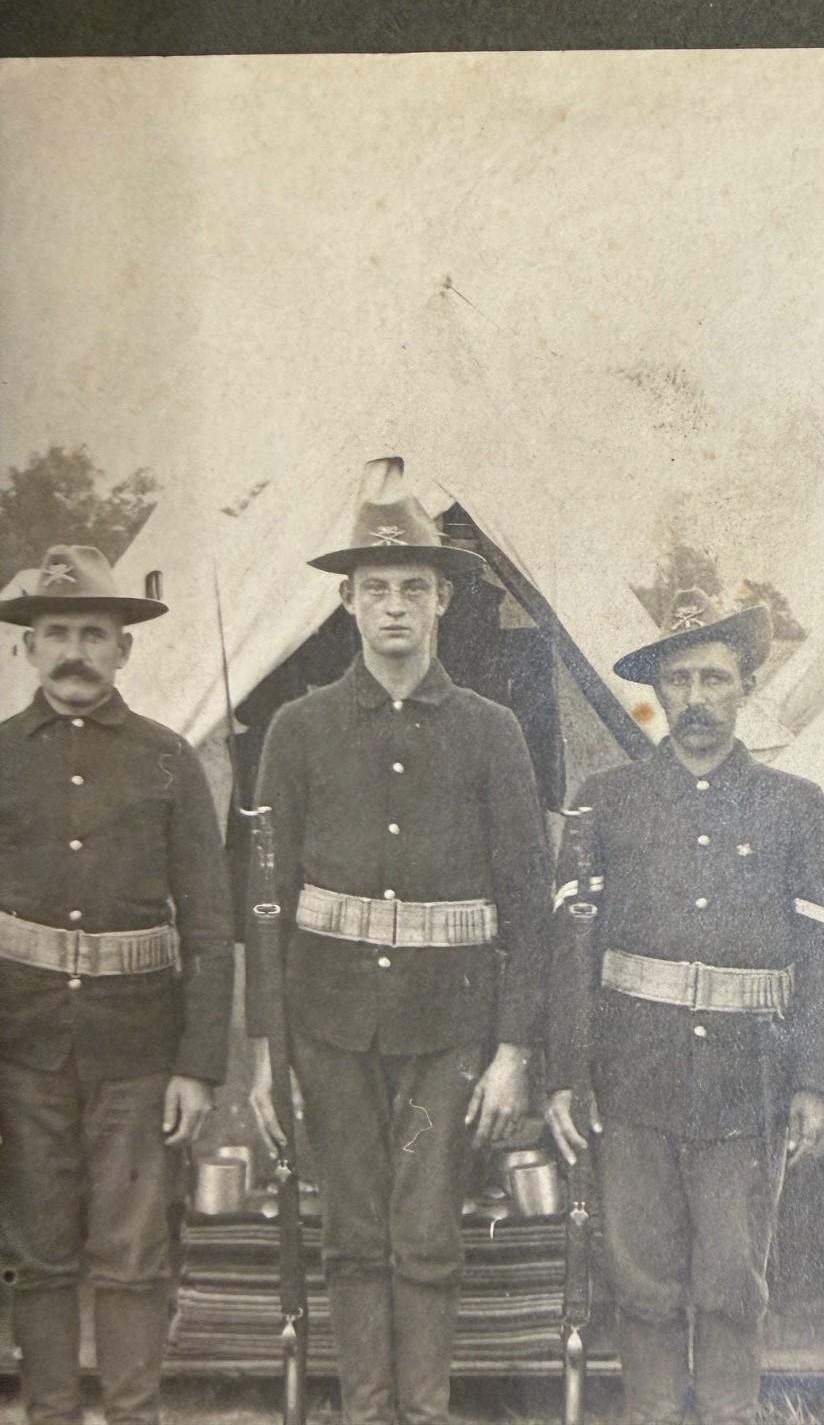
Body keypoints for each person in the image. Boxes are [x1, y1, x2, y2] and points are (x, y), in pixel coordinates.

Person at [246, 458, 551, 1425]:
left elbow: (529, 907)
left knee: (425, 1234)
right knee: (349, 1235)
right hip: (331, 1022)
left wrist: (513, 1050)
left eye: (412, 589)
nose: (393, 609)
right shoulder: (297, 729)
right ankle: (365, 1411)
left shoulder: (492, 732)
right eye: (374, 589)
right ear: (345, 602)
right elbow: (266, 901)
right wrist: (269, 1050)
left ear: (443, 600)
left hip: (449, 1030)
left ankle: (423, 1414)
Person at [546, 588, 824, 1425]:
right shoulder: (605, 801)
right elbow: (571, 948)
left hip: (745, 1084)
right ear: (657, 695)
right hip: (634, 1075)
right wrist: (565, 1075)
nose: (695, 699)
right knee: (642, 1278)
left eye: (714, 679)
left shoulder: (796, 807)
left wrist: (820, 1081)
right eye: (678, 681)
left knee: (730, 1278)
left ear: (745, 688)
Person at [0, 545, 234, 1425]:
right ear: (27, 647)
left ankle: (134, 1414)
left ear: (124, 649)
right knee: (37, 1247)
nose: (74, 651)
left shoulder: (168, 762)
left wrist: (199, 1065)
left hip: (139, 1052)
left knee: (133, 1251)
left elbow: (210, 925)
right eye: (56, 632)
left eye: (94, 635)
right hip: (21, 1048)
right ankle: (52, 1413)